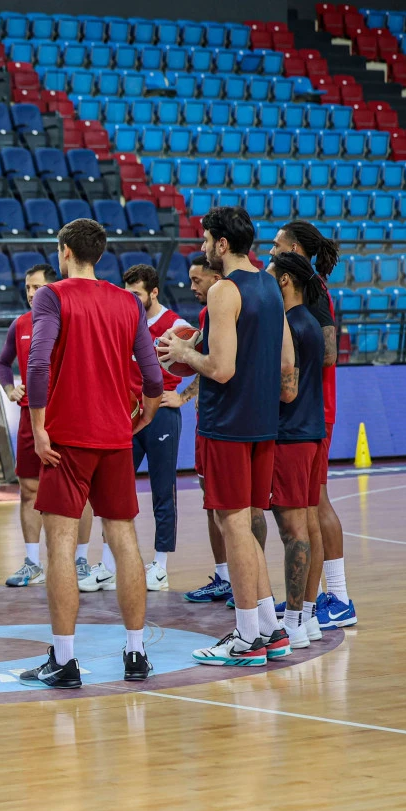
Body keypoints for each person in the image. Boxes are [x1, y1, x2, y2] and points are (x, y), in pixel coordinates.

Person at [18, 219, 163, 689]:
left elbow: (37, 362)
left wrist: (38, 427)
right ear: (98, 255)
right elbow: (152, 373)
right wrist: (146, 412)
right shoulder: (128, 302)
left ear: (64, 251)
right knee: (124, 540)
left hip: (67, 440)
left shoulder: (52, 296)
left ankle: (64, 660)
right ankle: (137, 653)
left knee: (61, 545)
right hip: (115, 436)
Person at [159, 206, 296, 667]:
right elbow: (285, 365)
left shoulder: (223, 290)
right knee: (246, 527)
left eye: (205, 240)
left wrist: (183, 351)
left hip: (229, 424)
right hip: (262, 423)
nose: (201, 248)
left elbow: (220, 368)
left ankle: (246, 637)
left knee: (233, 526)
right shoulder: (270, 286)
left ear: (221, 243)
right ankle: (270, 628)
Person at [270, 221, 353, 631]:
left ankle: (336, 597)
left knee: (314, 505)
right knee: (308, 507)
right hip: (311, 412)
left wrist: (289, 357)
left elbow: (329, 353)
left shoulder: (313, 291)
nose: (271, 251)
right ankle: (308, 602)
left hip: (313, 412)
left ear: (294, 250)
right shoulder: (307, 291)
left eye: (277, 245)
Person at [0, 264, 96, 589]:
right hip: (31, 416)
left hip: (67, 414)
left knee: (78, 492)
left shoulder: (71, 320)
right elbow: (2, 362)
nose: (30, 293)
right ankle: (32, 563)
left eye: (36, 287)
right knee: (28, 489)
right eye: (27, 287)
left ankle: (81, 560)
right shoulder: (20, 324)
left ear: (53, 289)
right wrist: (9, 388)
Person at [267, 251, 328, 650]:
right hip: (310, 434)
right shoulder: (310, 322)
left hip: (289, 437)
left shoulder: (289, 324)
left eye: (270, 272)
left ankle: (292, 622)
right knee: (305, 526)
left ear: (285, 280)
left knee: (292, 532)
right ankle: (306, 617)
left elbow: (286, 391)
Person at [122, 264, 193, 592]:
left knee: (163, 489)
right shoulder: (124, 321)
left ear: (153, 292)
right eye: (127, 294)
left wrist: (184, 396)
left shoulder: (176, 326)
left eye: (137, 294)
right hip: (130, 415)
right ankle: (111, 564)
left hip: (162, 413)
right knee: (116, 489)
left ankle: (161, 566)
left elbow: (211, 360)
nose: (131, 300)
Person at [181, 256, 233, 604]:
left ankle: (242, 585)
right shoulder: (204, 315)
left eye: (197, 280)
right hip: (209, 420)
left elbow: (216, 366)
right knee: (211, 500)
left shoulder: (220, 310)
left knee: (230, 506)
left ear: (216, 278)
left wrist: (183, 394)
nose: (191, 287)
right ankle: (225, 577)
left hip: (224, 422)